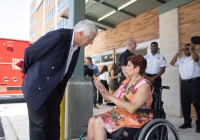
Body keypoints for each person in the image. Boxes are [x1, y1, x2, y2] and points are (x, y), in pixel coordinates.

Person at [22, 20, 98, 140]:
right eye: (91, 39)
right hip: (38, 87)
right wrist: (30, 74)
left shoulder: (77, 47)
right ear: (81, 33)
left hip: (54, 89)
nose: (92, 43)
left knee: (54, 125)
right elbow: (29, 52)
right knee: (39, 127)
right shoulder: (59, 36)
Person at [87, 55, 154, 140]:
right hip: (120, 113)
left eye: (129, 65)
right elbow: (109, 99)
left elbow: (132, 108)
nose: (125, 68)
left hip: (135, 117)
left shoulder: (144, 85)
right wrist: (101, 89)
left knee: (99, 122)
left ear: (137, 69)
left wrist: (109, 95)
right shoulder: (126, 82)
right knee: (92, 120)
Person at [170, 37, 200, 133]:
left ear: (192, 48)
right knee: (185, 104)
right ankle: (187, 122)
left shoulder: (197, 56)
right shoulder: (181, 59)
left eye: (187, 49)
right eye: (185, 49)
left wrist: (192, 50)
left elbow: (196, 59)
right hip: (184, 84)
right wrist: (178, 53)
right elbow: (172, 63)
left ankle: (199, 125)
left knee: (198, 104)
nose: (185, 50)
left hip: (195, 83)